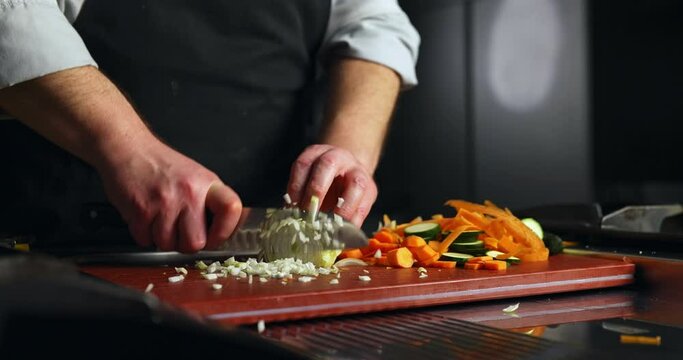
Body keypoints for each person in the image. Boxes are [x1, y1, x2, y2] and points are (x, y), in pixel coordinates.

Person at [0, 0, 420, 253]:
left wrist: (348, 155)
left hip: (269, 262)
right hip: (64, 252)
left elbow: (373, 23)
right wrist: (128, 150)